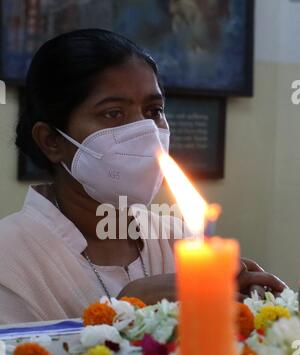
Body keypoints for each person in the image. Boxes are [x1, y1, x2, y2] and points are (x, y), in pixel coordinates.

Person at [0, 29, 285, 324]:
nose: (146, 131)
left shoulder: (180, 240)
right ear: (51, 141)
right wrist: (125, 309)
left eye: (154, 110)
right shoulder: (10, 257)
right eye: (113, 113)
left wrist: (257, 316)